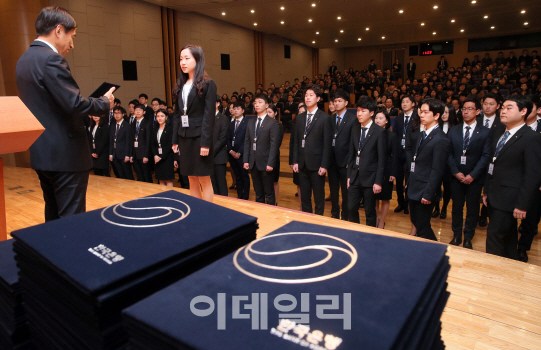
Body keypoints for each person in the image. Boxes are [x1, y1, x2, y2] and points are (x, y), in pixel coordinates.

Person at [15, 6, 114, 221]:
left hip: (43, 152)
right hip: (66, 154)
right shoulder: (51, 59)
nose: (72, 44)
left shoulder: (23, 60)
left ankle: (51, 254)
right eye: (72, 36)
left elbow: (53, 105)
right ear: (59, 30)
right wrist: (104, 102)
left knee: (53, 215)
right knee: (72, 220)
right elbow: (74, 103)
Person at [483, 94, 541, 259]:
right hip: (495, 195)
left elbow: (533, 174)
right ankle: (509, 270)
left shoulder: (532, 138)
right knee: (508, 238)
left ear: (523, 111)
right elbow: (492, 164)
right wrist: (486, 190)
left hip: (511, 198)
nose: (503, 111)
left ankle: (492, 274)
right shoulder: (499, 133)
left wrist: (523, 205)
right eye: (503, 108)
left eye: (509, 108)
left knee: (494, 237)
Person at [172, 44, 217, 202]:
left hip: (199, 138)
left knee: (204, 178)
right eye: (180, 59)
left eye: (187, 58)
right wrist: (175, 140)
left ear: (197, 60)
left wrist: (205, 143)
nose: (183, 62)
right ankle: (197, 212)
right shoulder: (180, 86)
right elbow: (177, 115)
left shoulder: (207, 84)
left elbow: (208, 116)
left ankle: (207, 212)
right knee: (191, 177)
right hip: (184, 137)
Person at [448, 98, 491, 249]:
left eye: (470, 109)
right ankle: (457, 235)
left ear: (478, 112)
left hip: (475, 178)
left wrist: (472, 175)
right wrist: (455, 172)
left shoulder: (485, 132)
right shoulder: (453, 130)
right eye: (464, 109)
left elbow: (486, 156)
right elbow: (448, 154)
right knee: (456, 208)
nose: (465, 111)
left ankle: (468, 237)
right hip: (456, 177)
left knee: (472, 209)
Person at [406, 98, 451, 241]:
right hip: (415, 186)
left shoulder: (440, 139)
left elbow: (437, 170)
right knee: (417, 223)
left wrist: (429, 193)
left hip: (425, 191)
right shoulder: (423, 133)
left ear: (437, 115)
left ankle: (435, 253)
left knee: (423, 226)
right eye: (421, 112)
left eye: (426, 112)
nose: (422, 115)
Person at [291, 84, 332, 215]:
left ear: (318, 98)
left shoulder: (324, 118)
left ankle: (319, 222)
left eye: (311, 95)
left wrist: (324, 165)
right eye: (306, 95)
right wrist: (295, 161)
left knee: (319, 198)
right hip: (302, 163)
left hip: (317, 164)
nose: (307, 98)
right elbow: (296, 141)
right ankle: (307, 220)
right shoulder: (300, 118)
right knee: (305, 197)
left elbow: (327, 144)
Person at [347, 96, 387, 226]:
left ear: (371, 113)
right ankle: (356, 232)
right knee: (351, 207)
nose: (359, 113)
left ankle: (370, 236)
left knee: (370, 211)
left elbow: (382, 159)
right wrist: (349, 176)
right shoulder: (355, 129)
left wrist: (378, 182)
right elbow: (352, 154)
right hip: (355, 176)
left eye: (363, 111)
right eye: (358, 110)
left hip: (370, 178)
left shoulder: (379, 132)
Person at [243, 94, 280, 205]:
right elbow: (247, 142)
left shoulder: (272, 123)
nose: (257, 105)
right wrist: (246, 160)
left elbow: (274, 145)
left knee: (269, 193)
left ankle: (271, 216)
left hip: (266, 163)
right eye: (255, 102)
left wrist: (270, 163)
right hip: (253, 162)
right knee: (258, 193)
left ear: (267, 105)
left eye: (260, 102)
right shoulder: (251, 121)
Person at [518, 95, 541, 262]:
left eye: (529, 107)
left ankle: (523, 248)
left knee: (531, 218)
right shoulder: (513, 128)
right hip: (514, 181)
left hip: (536, 183)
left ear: (538, 110)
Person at [477, 92, 505, 227]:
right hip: (476, 161)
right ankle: (475, 214)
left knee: (488, 190)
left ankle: (484, 213)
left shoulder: (502, 123)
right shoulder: (475, 119)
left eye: (491, 104)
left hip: (493, 162)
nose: (487, 107)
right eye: (485, 104)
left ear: (498, 106)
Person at [328, 89, 356, 221]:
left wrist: (349, 161)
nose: (336, 103)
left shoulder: (352, 119)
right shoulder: (331, 119)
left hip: (345, 162)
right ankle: (334, 213)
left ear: (346, 103)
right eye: (335, 101)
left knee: (345, 192)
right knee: (333, 190)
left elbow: (353, 143)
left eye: (339, 101)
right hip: (332, 161)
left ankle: (345, 215)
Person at [373, 110, 398, 229]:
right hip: (373, 169)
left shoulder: (391, 136)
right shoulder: (372, 133)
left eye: (381, 118)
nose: (377, 120)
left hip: (387, 170)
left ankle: (382, 222)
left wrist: (393, 172)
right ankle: (375, 220)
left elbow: (395, 156)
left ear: (387, 121)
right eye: (376, 118)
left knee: (385, 197)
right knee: (374, 197)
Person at [393, 95, 416, 214]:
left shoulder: (416, 118)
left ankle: (408, 204)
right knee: (399, 180)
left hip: (410, 154)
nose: (404, 104)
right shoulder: (398, 118)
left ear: (413, 104)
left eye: (407, 101)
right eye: (402, 102)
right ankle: (400, 203)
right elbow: (395, 135)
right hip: (399, 153)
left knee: (408, 180)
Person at [432, 104, 455, 219]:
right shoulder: (436, 127)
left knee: (447, 188)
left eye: (447, 112)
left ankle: (444, 208)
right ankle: (436, 207)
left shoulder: (455, 128)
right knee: (436, 186)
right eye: (443, 112)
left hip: (449, 165)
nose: (444, 115)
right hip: (437, 162)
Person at [227, 103, 251, 200]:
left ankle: (245, 196)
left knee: (244, 176)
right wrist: (231, 151)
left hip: (242, 154)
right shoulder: (231, 124)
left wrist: (239, 153)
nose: (235, 110)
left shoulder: (247, 123)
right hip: (232, 154)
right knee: (237, 176)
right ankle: (239, 195)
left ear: (243, 110)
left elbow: (247, 140)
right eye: (234, 108)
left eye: (238, 109)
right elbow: (228, 138)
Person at [211, 95, 229, 196]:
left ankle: (224, 204)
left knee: (221, 182)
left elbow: (222, 139)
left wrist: (211, 152)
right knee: (212, 183)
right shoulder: (206, 118)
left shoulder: (223, 118)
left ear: (218, 104)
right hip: (207, 156)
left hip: (219, 156)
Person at [151, 109, 175, 186]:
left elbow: (170, 144)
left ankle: (170, 196)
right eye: (158, 116)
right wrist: (155, 155)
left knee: (168, 179)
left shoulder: (170, 128)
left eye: (162, 116)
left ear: (166, 117)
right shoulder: (155, 129)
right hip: (157, 157)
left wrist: (161, 156)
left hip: (167, 157)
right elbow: (153, 144)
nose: (160, 118)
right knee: (160, 179)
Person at [109, 106, 133, 180]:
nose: (117, 115)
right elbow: (111, 141)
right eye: (115, 113)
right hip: (115, 154)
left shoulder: (127, 126)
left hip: (124, 154)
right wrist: (110, 153)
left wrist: (127, 155)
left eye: (119, 113)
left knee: (127, 174)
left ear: (123, 114)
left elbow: (128, 141)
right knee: (119, 175)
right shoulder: (112, 126)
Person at [266, 105, 284, 204]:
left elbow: (277, 143)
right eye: (267, 112)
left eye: (270, 112)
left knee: (274, 180)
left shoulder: (279, 125)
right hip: (264, 156)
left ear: (275, 113)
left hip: (274, 156)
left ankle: (275, 202)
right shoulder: (263, 124)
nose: (268, 114)